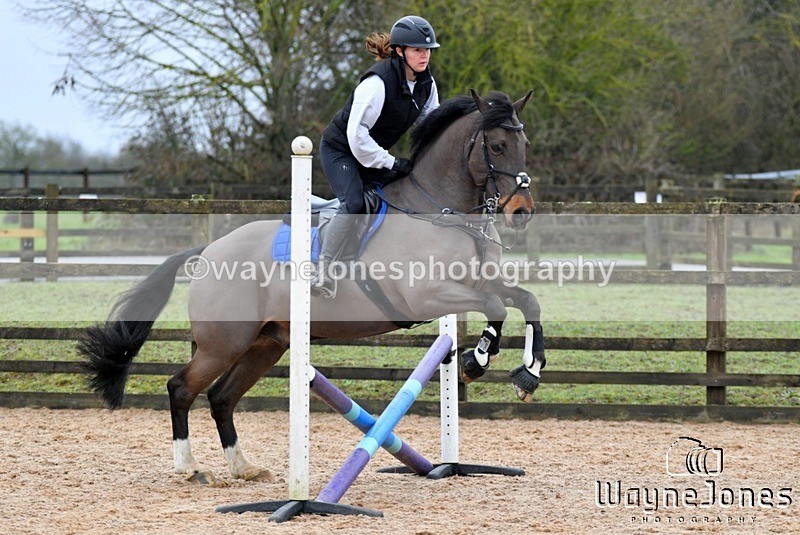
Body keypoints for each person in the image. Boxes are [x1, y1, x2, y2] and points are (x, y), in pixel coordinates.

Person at [311, 15, 441, 299]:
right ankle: (323, 271)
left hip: (373, 152)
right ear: (399, 51)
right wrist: (392, 162)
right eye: (418, 49)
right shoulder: (377, 84)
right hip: (341, 150)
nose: (425, 55)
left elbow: (429, 127)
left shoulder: (426, 85)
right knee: (355, 203)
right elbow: (357, 138)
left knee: (404, 194)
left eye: (428, 49)